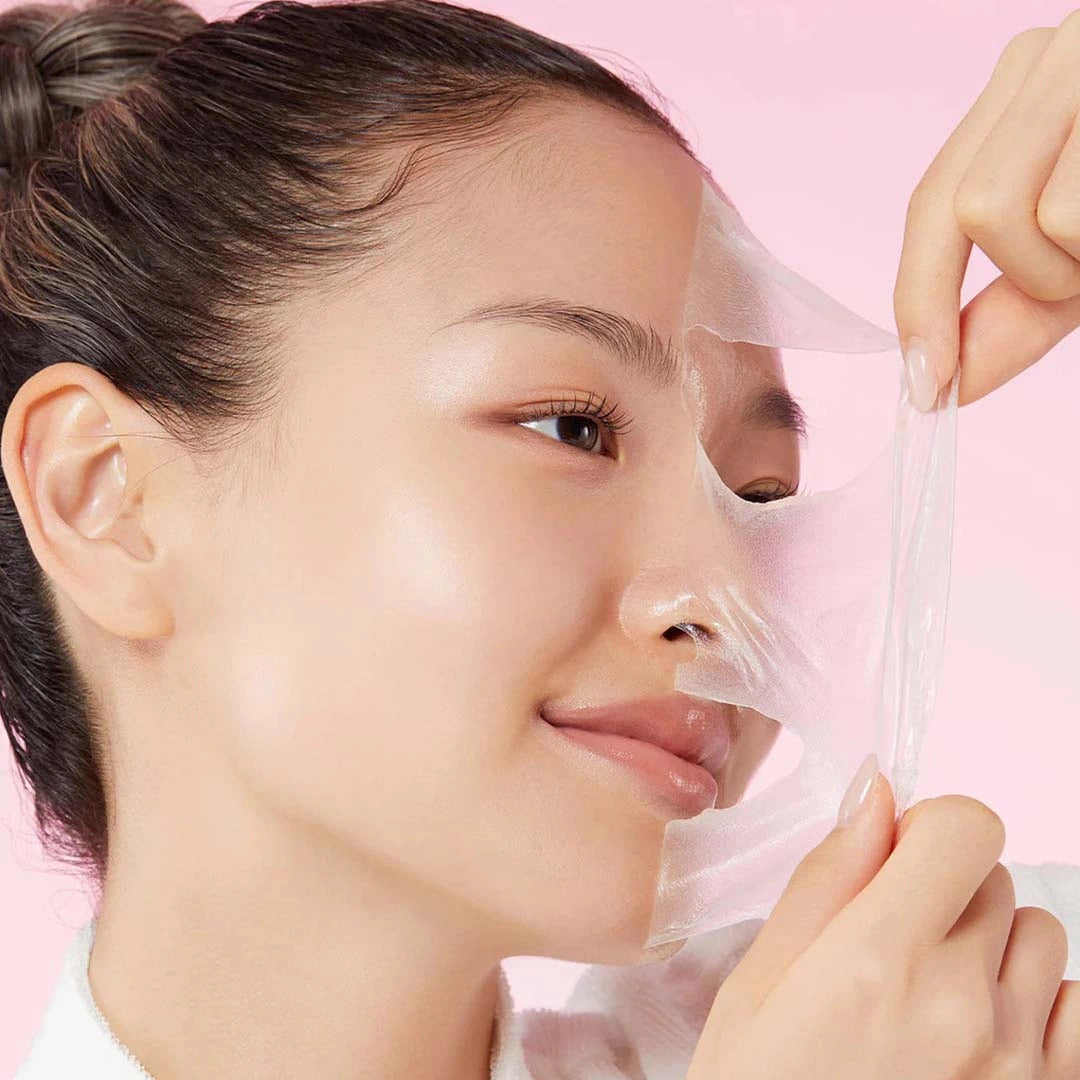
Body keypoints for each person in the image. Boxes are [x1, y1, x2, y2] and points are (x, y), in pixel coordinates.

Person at [0, 1, 1077, 1077]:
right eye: (573, 429)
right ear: (107, 499)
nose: (728, 602)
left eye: (757, 495)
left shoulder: (974, 1014)